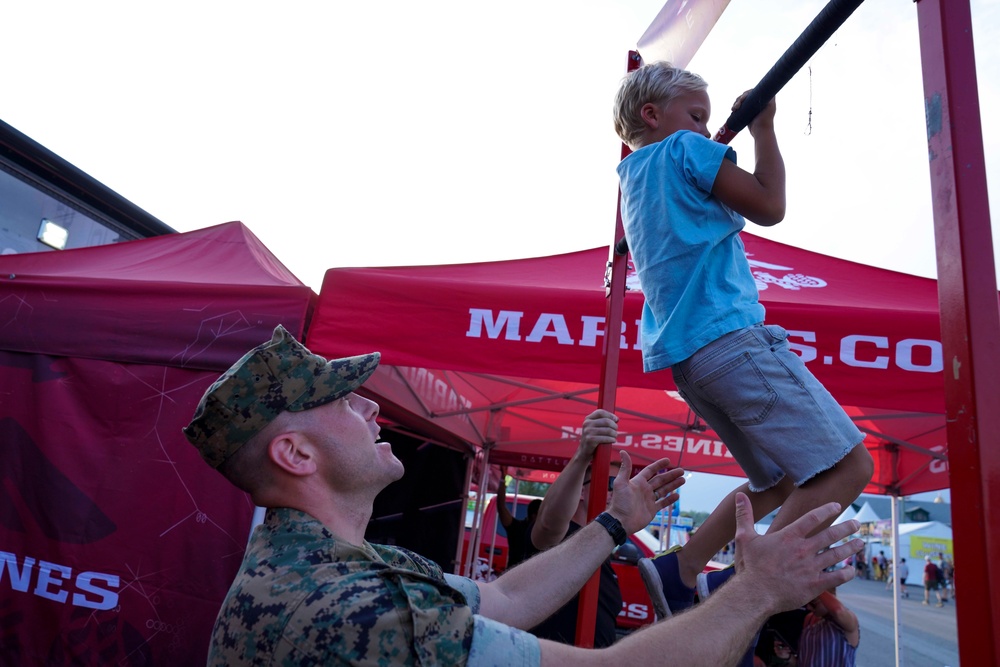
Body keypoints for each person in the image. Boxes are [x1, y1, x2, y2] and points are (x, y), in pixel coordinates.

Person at [183, 325, 863, 666]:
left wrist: (616, 522)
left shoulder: (341, 566)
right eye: (338, 398)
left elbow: (506, 598)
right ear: (295, 454)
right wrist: (757, 591)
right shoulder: (352, 606)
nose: (367, 404)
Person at [613, 58, 873, 630]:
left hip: (692, 359)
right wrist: (763, 130)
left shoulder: (632, 176)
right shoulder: (685, 151)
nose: (708, 131)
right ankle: (743, 584)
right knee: (849, 465)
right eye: (698, 116)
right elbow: (769, 205)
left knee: (780, 477)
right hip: (732, 341)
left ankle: (683, 566)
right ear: (653, 115)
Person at [521, 409, 624, 647]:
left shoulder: (600, 546)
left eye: (621, 485)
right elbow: (548, 525)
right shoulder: (563, 538)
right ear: (581, 490)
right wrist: (583, 454)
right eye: (610, 484)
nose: (616, 491)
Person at [797, 589, 859, 666]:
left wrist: (817, 587)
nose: (808, 607)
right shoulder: (809, 619)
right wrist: (788, 658)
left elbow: (838, 611)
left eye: (813, 602)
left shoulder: (847, 620)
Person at [495, 469, 541, 569]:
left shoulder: (543, 533)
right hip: (515, 578)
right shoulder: (517, 528)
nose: (545, 519)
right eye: (543, 515)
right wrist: (502, 479)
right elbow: (501, 507)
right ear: (534, 515)